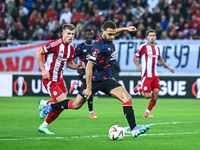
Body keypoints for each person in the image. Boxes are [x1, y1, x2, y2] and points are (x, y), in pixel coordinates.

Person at [39, 21, 150, 137]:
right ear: (103, 32)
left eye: (113, 35)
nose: (112, 37)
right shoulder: (98, 47)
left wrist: (126, 28)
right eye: (110, 35)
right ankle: (51, 106)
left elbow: (113, 30)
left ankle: (134, 129)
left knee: (127, 97)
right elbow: (89, 67)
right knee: (76, 105)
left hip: (106, 79)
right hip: (93, 80)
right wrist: (88, 88)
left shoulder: (109, 34)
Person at [35, 24, 85, 134]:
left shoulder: (71, 48)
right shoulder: (55, 44)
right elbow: (38, 52)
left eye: (72, 34)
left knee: (62, 105)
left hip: (60, 79)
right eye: (68, 33)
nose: (71, 36)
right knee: (63, 102)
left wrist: (77, 66)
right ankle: (47, 106)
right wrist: (43, 69)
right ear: (63, 34)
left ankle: (44, 121)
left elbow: (69, 63)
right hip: (50, 79)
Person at [133, 29, 175, 118]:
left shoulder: (157, 48)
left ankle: (147, 112)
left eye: (153, 35)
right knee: (148, 96)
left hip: (155, 74)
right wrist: (138, 65)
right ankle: (140, 87)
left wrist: (168, 68)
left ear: (155, 37)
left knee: (156, 93)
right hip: (146, 75)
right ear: (147, 37)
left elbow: (160, 59)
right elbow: (135, 57)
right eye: (150, 36)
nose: (152, 37)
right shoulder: (143, 47)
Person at [69, 29, 97, 118]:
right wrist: (77, 66)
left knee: (88, 90)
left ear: (93, 35)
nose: (89, 36)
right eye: (88, 35)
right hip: (84, 72)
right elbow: (72, 57)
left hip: (94, 72)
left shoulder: (95, 46)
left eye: (91, 35)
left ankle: (75, 87)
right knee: (89, 91)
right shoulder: (81, 47)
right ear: (85, 35)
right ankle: (91, 112)